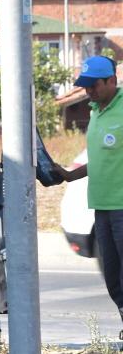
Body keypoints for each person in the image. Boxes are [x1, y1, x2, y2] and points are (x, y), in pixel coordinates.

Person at [53, 56, 122, 328]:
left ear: (112, 81)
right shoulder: (95, 111)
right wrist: (70, 175)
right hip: (101, 207)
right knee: (113, 277)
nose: (89, 91)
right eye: (85, 85)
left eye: (94, 84)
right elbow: (102, 160)